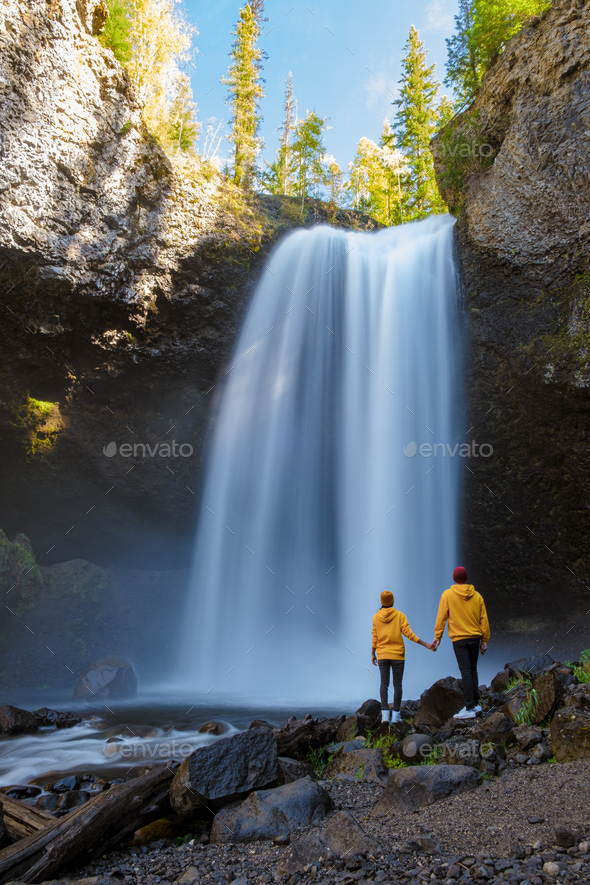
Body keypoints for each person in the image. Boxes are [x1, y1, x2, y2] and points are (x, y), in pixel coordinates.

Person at [432, 566, 490, 720]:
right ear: (466, 578)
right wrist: (484, 640)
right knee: (473, 670)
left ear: (454, 578)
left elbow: (441, 617)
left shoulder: (448, 595)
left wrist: (438, 637)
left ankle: (469, 707)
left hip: (459, 639)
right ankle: (475, 704)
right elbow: (483, 619)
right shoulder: (477, 596)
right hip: (474, 638)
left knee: (465, 671)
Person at [372, 590, 434, 724]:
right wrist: (425, 644)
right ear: (392, 602)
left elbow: (375, 637)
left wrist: (373, 653)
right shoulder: (400, 616)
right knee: (397, 684)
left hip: (382, 654)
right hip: (397, 655)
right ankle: (396, 716)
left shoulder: (376, 617)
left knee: (384, 683)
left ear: (382, 602)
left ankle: (384, 716)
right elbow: (409, 634)